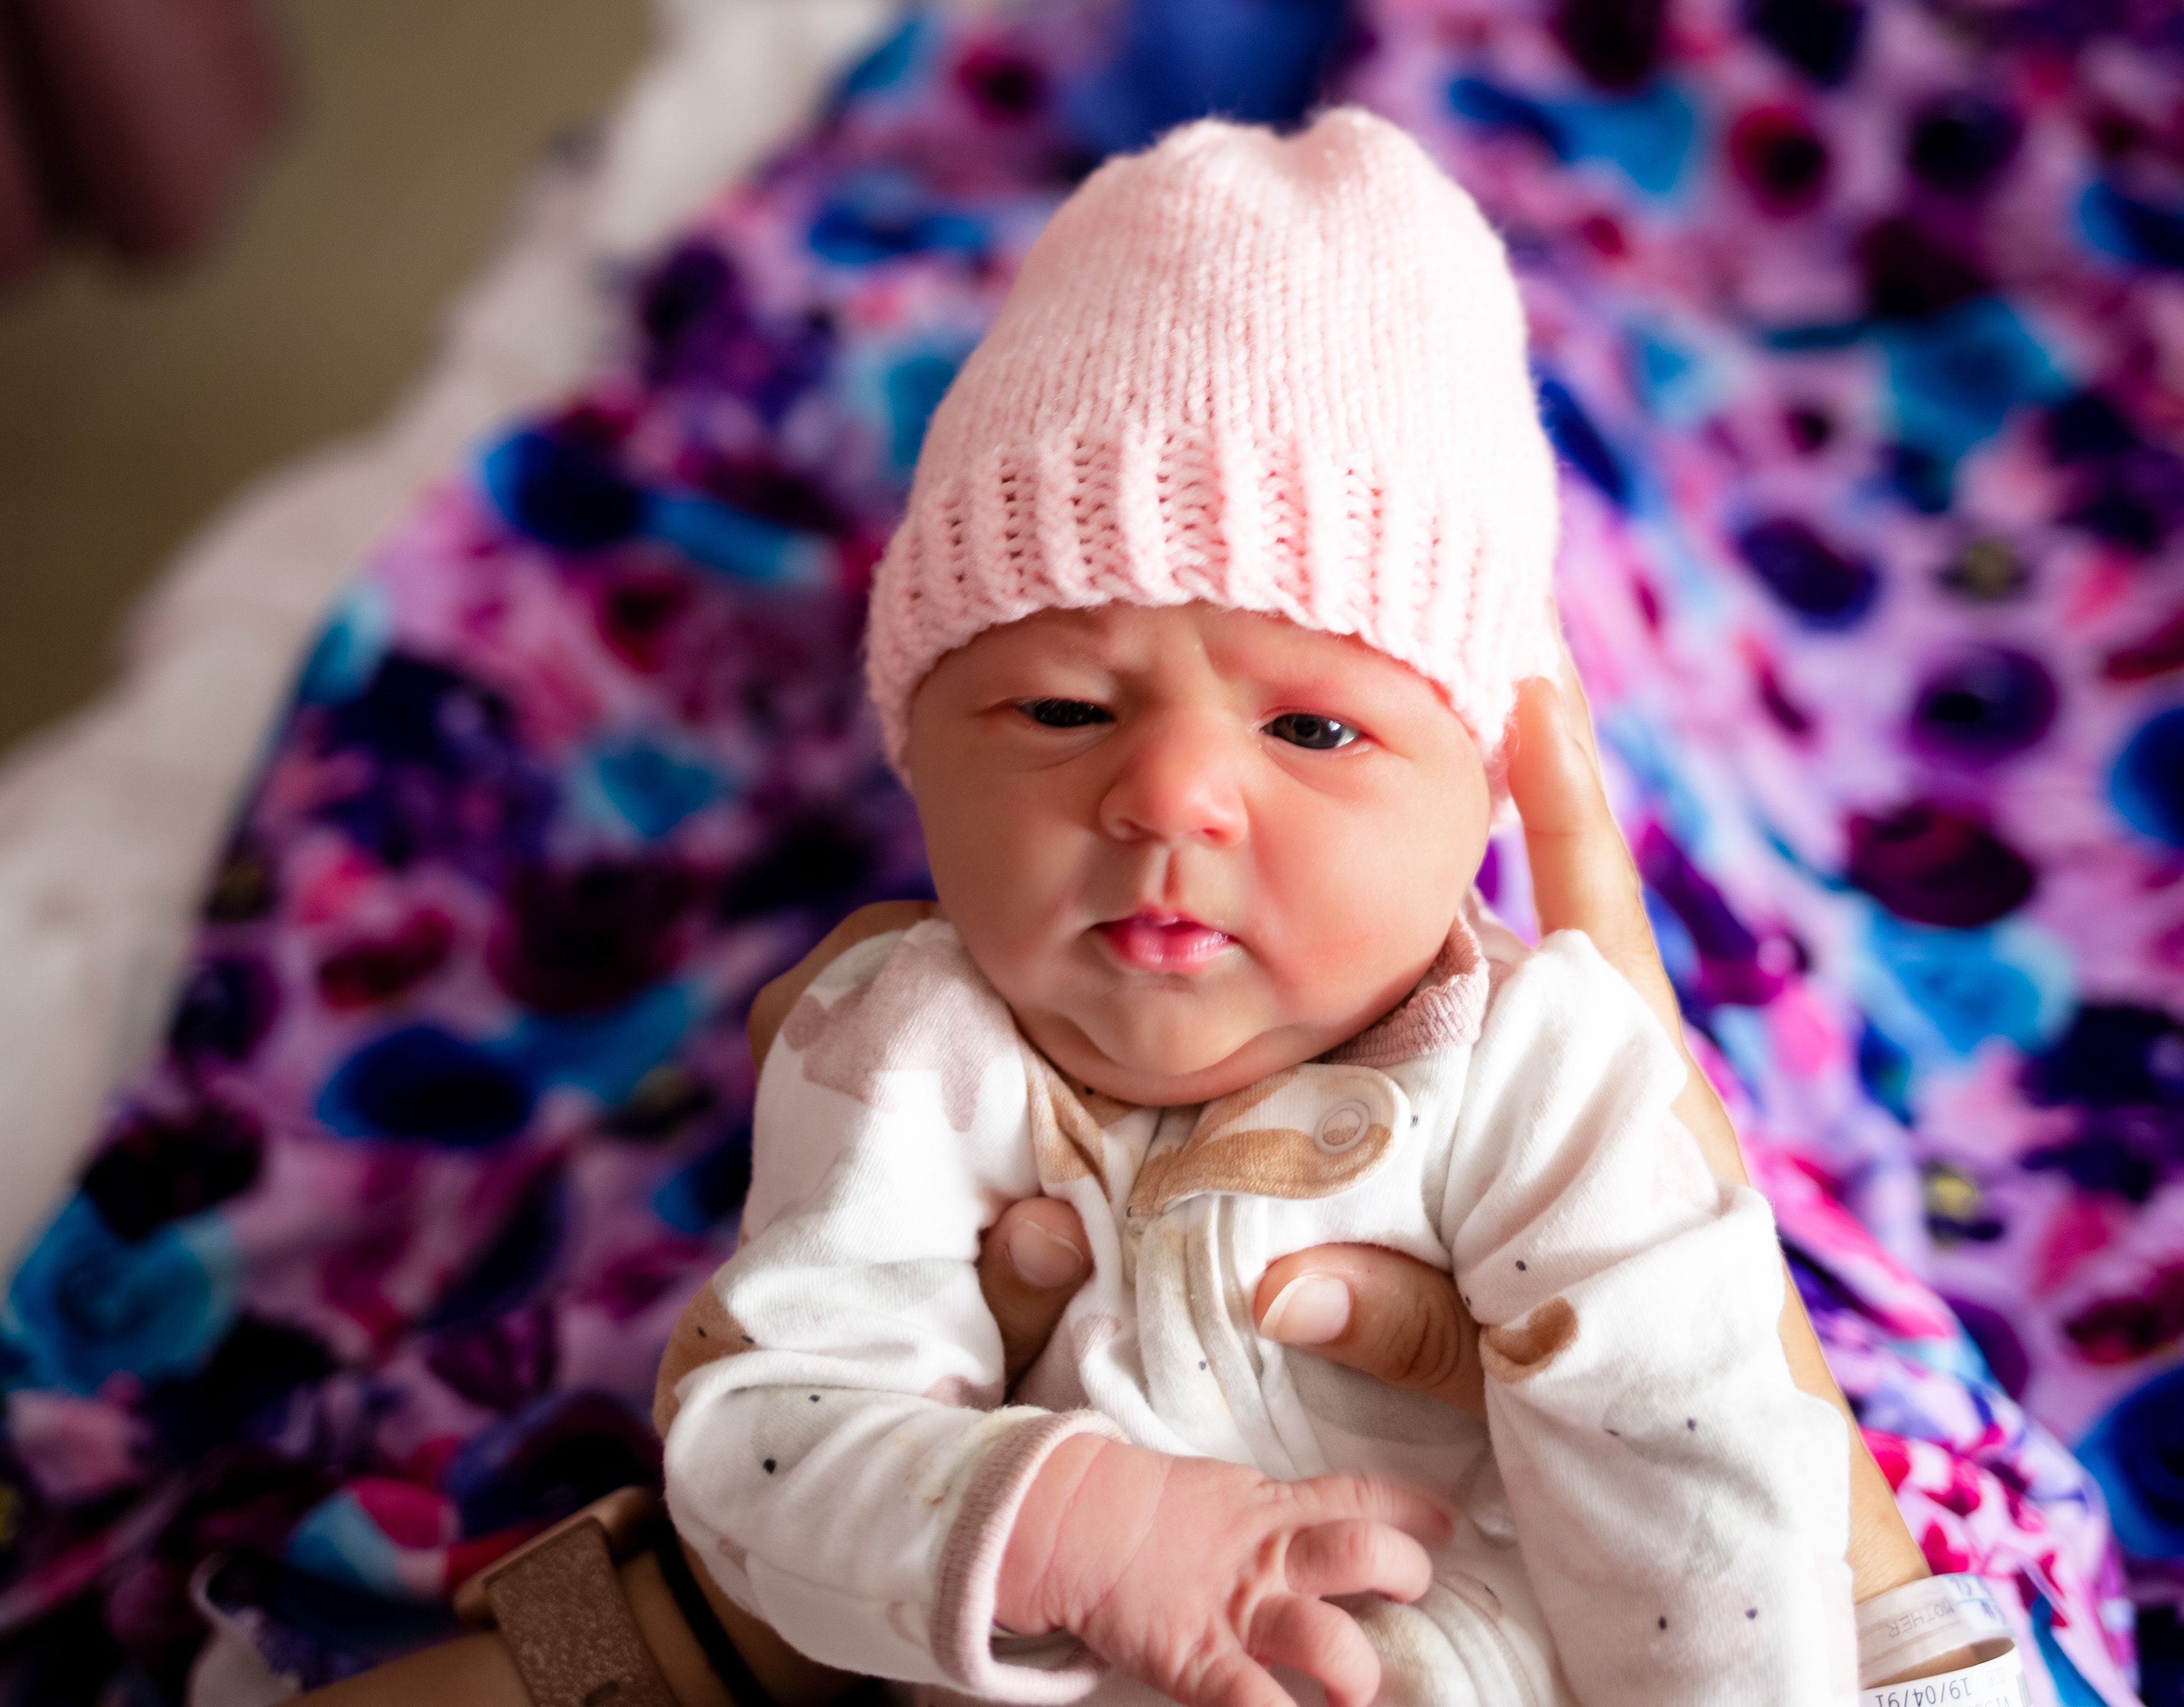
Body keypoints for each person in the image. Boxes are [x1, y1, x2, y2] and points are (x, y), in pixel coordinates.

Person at [656, 109, 1888, 1707]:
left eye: (1312, 727)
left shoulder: (1542, 1071)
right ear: (917, 757)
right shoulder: (904, 1045)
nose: (1171, 795)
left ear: (1487, 791)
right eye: (1062, 709)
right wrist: (1081, 1529)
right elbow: (761, 1441)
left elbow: (1697, 1486)